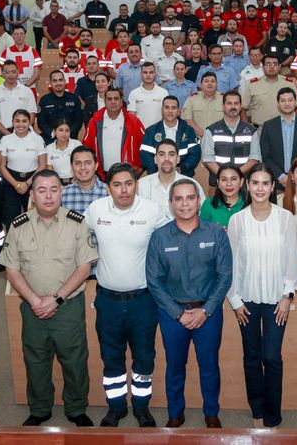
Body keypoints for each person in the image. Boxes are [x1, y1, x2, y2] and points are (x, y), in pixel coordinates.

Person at [0, 169, 98, 427]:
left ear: (62, 192)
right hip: (32, 308)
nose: (48, 196)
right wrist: (34, 301)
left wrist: (55, 299)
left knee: (74, 360)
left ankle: (76, 408)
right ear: (32, 195)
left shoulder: (77, 223)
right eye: (41, 190)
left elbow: (84, 268)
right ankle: (40, 408)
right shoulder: (18, 225)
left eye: (54, 189)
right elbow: (11, 269)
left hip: (67, 307)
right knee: (35, 359)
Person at [84, 163, 168, 428]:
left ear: (136, 185)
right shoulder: (96, 210)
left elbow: (169, 243)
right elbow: (79, 239)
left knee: (144, 356)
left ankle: (141, 407)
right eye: (117, 184)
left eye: (129, 183)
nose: (124, 190)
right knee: (111, 357)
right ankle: (116, 407)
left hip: (143, 301)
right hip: (107, 300)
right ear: (108, 187)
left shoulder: (152, 210)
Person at [146, 179, 233, 429]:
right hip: (172, 314)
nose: (185, 204)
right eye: (179, 199)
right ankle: (175, 413)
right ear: (171, 203)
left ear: (198, 201)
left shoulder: (216, 233)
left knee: (209, 366)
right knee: (174, 366)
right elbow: (154, 281)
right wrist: (178, 314)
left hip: (209, 313)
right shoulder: (160, 237)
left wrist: (205, 311)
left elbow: (224, 275)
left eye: (190, 198)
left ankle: (211, 413)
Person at [227, 165, 297, 428]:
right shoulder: (237, 220)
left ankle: (273, 414)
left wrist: (287, 296)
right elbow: (232, 264)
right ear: (247, 185)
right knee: (251, 357)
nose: (259, 188)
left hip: (277, 300)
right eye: (254, 183)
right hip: (246, 301)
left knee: (272, 357)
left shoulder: (285, 218)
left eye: (265, 183)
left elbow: (291, 258)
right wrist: (234, 301)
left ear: (272, 187)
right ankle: (257, 411)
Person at [258, 87, 297, 189]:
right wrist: (281, 177)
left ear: (295, 103)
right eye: (283, 100)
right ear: (278, 103)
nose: (287, 104)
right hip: (276, 182)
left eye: (290, 100)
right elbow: (265, 156)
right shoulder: (268, 126)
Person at [83, 87, 146, 180]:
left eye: (116, 99)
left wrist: (138, 172)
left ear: (121, 101)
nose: (113, 102)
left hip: (127, 175)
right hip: (101, 175)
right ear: (105, 101)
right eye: (109, 99)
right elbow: (86, 148)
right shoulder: (95, 122)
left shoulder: (133, 121)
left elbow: (145, 148)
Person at [201, 90, 260, 187]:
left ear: (241, 106)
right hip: (218, 184)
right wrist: (224, 177)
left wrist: (235, 176)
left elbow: (254, 158)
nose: (233, 106)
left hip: (243, 184)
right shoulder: (211, 130)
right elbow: (208, 159)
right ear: (223, 106)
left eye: (236, 103)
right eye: (229, 103)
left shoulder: (251, 131)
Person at [0, 110, 47, 228]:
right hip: (11, 182)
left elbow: (42, 165)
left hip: (33, 181)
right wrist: (16, 184)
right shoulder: (6, 140)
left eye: (24, 121)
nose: (21, 124)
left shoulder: (37, 140)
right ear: (12, 122)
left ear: (30, 122)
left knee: (35, 218)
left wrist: (27, 183)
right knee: (11, 219)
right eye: (17, 121)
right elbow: (1, 166)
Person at [139, 139, 205, 217]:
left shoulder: (192, 185)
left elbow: (202, 214)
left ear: (178, 159)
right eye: (161, 154)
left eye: (171, 154)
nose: (166, 158)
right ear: (155, 159)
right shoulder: (141, 185)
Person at [140, 96, 201, 177]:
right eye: (167, 107)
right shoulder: (151, 131)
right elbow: (145, 156)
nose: (170, 111)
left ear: (179, 111)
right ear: (162, 110)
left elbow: (195, 155)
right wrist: (161, 172)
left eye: (173, 108)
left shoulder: (188, 130)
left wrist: (180, 169)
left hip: (183, 175)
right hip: (156, 176)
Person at [241, 55, 297, 127]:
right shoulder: (252, 85)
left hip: (284, 128)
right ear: (263, 67)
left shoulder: (289, 84)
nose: (271, 67)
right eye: (268, 64)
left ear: (279, 67)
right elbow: (243, 108)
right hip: (260, 129)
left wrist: (294, 125)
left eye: (274, 64)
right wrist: (247, 127)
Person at [0, 61, 38, 137]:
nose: (11, 75)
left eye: (13, 72)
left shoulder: (27, 91)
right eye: (7, 72)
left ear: (18, 73)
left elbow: (31, 115)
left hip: (24, 133)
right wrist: (9, 135)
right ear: (2, 73)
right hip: (3, 134)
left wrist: (20, 132)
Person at [37, 70, 83, 145]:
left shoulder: (74, 98)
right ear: (50, 84)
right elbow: (41, 122)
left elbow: (78, 121)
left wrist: (67, 133)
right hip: (50, 141)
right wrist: (53, 133)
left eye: (60, 80)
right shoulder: (44, 100)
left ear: (65, 82)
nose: (58, 83)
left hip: (70, 140)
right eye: (55, 81)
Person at [0, 25, 42, 99]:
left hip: (29, 89)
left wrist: (25, 86)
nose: (19, 36)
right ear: (12, 36)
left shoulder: (33, 51)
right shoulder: (6, 52)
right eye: (16, 34)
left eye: (21, 33)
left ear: (25, 35)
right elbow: (2, 73)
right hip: (11, 90)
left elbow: (37, 74)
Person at [200, 164, 246, 229]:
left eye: (233, 179)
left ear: (241, 182)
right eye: (224, 179)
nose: (229, 184)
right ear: (218, 183)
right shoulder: (208, 204)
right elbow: (201, 232)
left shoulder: (249, 205)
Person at [182, 72, 224, 139]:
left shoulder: (224, 99)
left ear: (217, 84)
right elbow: (187, 120)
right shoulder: (192, 99)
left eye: (213, 81)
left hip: (221, 139)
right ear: (201, 84)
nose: (210, 83)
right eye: (206, 81)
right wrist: (204, 135)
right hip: (198, 138)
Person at [128, 62, 169, 129]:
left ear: (155, 74)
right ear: (141, 74)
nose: (148, 75)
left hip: (158, 132)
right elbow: (132, 118)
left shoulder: (164, 93)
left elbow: (166, 116)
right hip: (140, 132)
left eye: (151, 72)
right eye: (145, 72)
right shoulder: (133, 93)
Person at [45, 120, 82, 185]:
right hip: (57, 183)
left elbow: (81, 165)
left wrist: (74, 182)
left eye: (67, 130)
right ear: (54, 131)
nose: (64, 133)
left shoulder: (77, 145)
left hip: (76, 182)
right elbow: (50, 170)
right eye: (61, 130)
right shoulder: (49, 148)